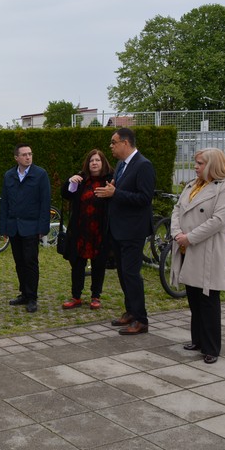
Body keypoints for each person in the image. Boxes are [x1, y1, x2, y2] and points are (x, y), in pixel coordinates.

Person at [170, 148, 225, 364]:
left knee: (208, 299)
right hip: (187, 247)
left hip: (207, 249)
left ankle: (211, 347)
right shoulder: (192, 185)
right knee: (193, 296)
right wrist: (176, 233)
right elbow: (177, 209)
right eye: (196, 162)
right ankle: (198, 340)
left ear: (212, 165)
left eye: (200, 163)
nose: (196, 167)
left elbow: (218, 221)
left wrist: (189, 237)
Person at [95, 127, 156, 335]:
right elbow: (119, 192)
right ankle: (130, 311)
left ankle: (141, 319)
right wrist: (110, 192)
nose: (111, 146)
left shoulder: (143, 165)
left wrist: (116, 193)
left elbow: (145, 198)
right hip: (118, 229)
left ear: (126, 143)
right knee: (123, 273)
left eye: (114, 142)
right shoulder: (121, 165)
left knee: (131, 274)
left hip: (133, 230)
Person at [0, 143, 51, 313]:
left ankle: (32, 297)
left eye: (30, 154)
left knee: (30, 262)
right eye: (24, 154)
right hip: (14, 226)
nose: (28, 157)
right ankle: (24, 293)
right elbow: (5, 202)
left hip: (31, 226)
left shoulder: (40, 174)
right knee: (19, 262)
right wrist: (3, 227)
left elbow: (45, 202)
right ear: (16, 158)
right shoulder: (9, 176)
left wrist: (43, 227)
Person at [60, 149, 113, 310]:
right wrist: (70, 182)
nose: (94, 163)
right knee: (77, 264)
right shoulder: (81, 179)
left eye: (97, 160)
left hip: (100, 231)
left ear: (103, 163)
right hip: (81, 231)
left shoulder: (110, 180)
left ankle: (96, 296)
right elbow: (66, 195)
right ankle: (76, 296)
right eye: (91, 160)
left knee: (98, 264)